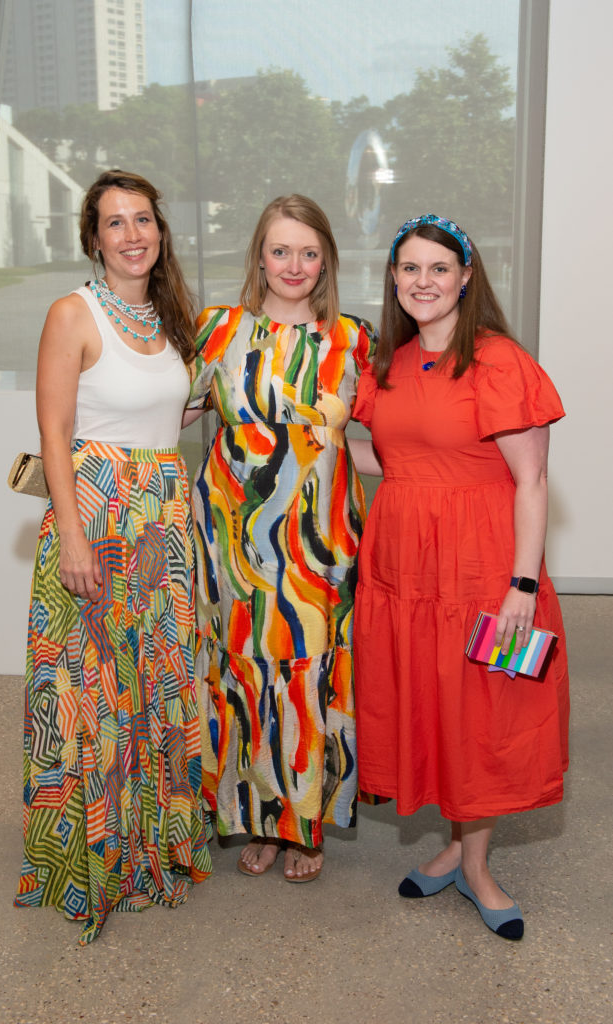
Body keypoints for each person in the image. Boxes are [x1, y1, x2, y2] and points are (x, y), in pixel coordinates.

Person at [351, 214, 569, 940]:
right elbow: (387, 456)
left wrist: (522, 585)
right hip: (403, 570)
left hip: (480, 568)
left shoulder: (497, 360)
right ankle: (453, 842)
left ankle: (475, 866)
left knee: (480, 715)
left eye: (438, 268)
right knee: (430, 705)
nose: (423, 282)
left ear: (466, 276)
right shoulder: (387, 362)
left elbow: (531, 482)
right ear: (392, 278)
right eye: (409, 268)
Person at [14, 169, 212, 944]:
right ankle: (85, 859)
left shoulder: (169, 317)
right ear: (92, 238)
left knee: (152, 686)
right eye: (114, 223)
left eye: (143, 220)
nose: (132, 235)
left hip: (161, 519)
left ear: (160, 231)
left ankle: (146, 851)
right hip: (95, 515)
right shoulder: (74, 312)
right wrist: (69, 531)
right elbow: (54, 430)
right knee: (88, 692)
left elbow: (172, 409)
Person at [184, 195, 375, 881]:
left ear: (324, 260)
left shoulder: (352, 339)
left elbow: (388, 436)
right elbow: (160, 412)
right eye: (279, 250)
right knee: (244, 678)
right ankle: (254, 816)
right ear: (258, 257)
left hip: (319, 548)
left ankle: (303, 826)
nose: (293, 265)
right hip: (232, 543)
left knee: (306, 681)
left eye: (308, 252)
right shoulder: (219, 329)